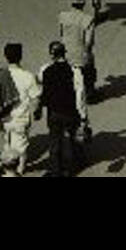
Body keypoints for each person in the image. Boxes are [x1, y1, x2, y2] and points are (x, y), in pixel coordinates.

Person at [36, 41, 83, 177]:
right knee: (75, 139)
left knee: (55, 142)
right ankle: (75, 166)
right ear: (64, 53)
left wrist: (40, 107)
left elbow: (41, 88)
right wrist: (83, 115)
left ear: (52, 55)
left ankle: (56, 171)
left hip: (54, 113)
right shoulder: (74, 71)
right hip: (71, 112)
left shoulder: (45, 70)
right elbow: (80, 95)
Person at [0, 43, 41, 177]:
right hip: (21, 118)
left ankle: (7, 170)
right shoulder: (28, 76)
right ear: (20, 57)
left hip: (4, 117)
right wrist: (37, 112)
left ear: (5, 57)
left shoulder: (0, 75)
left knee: (8, 143)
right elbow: (36, 98)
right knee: (21, 149)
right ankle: (18, 172)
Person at [58, 0, 98, 110]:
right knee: (90, 68)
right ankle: (90, 93)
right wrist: (88, 53)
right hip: (81, 55)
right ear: (83, 3)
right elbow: (89, 42)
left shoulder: (62, 16)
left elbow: (61, 34)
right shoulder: (88, 19)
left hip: (66, 53)